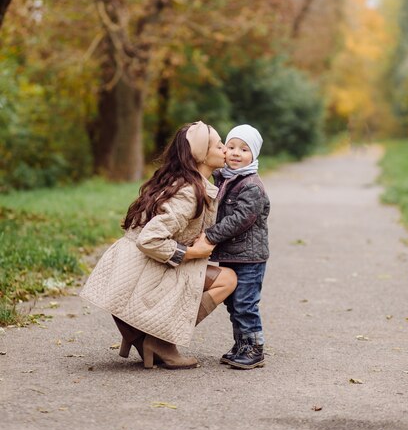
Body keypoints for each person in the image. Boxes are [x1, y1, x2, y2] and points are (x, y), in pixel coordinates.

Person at [80, 122, 237, 369]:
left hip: (133, 266)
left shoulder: (186, 180)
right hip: (141, 269)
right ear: (202, 155)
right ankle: (159, 338)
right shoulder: (188, 192)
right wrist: (194, 251)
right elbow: (150, 239)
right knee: (227, 279)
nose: (225, 149)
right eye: (219, 145)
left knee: (215, 275)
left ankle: (145, 335)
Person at [203, 124, 270, 369]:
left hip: (250, 258)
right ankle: (241, 344)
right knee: (233, 304)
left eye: (244, 149)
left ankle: (255, 349)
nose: (235, 152)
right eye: (230, 146)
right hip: (232, 254)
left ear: (254, 155)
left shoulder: (251, 185)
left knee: (245, 303)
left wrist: (210, 236)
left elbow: (240, 219)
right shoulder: (226, 179)